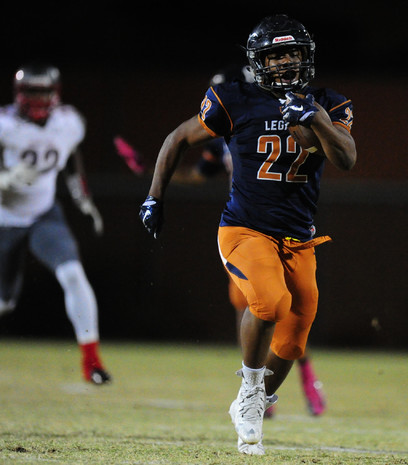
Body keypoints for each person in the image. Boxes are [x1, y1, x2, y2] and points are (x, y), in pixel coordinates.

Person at [139, 14, 356, 455]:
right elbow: (177, 138)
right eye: (275, 55)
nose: (284, 62)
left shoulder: (328, 102)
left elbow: (346, 158)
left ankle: (248, 400)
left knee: (294, 342)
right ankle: (253, 394)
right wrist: (154, 198)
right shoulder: (234, 99)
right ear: (259, 61)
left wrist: (315, 118)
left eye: (291, 52)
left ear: (306, 56)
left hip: (298, 238)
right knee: (269, 302)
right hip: (244, 229)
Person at [173, 64, 327, 419]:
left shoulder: (271, 115)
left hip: (287, 226)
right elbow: (199, 173)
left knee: (290, 312)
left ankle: (300, 376)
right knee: (252, 304)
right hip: (246, 229)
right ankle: (254, 386)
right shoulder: (228, 130)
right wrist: (154, 176)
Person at [0, 63, 111, 385]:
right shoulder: (5, 124)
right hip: (4, 220)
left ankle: (92, 362)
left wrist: (82, 198)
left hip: (43, 214)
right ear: (18, 94)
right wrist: (5, 180)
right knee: (4, 303)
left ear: (55, 93)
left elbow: (71, 156)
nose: (36, 98)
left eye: (42, 91)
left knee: (73, 274)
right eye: (30, 91)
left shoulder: (67, 122)